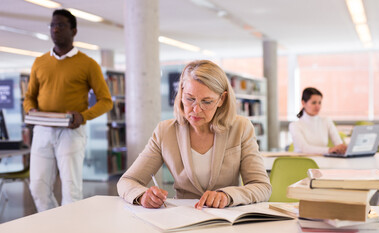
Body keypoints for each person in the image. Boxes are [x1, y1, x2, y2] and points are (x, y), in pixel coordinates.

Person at [117, 60, 271, 209]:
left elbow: (262, 187)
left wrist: (228, 196)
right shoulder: (165, 131)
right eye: (190, 99)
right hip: (183, 218)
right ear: (181, 94)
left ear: (221, 100)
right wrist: (143, 196)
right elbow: (127, 181)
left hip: (225, 218)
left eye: (207, 101)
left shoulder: (241, 128)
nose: (196, 109)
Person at [23, 9, 113, 212]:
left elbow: (106, 101)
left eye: (61, 25)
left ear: (74, 31)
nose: (55, 29)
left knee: (71, 192)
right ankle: (52, 227)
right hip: (43, 130)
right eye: (52, 25)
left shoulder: (88, 64)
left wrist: (83, 116)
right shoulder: (39, 62)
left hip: (71, 131)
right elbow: (29, 97)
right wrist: (30, 110)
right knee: (38, 187)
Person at [289, 87, 347, 154]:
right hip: (303, 162)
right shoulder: (295, 125)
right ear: (303, 103)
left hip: (323, 162)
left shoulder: (326, 121)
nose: (317, 106)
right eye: (314, 103)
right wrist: (329, 150)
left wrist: (342, 148)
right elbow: (303, 148)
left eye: (319, 103)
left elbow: (339, 144)